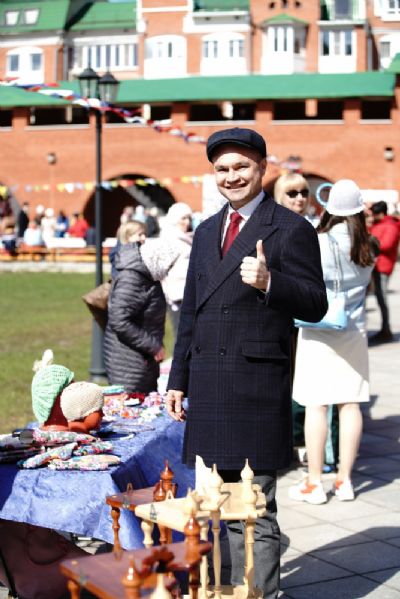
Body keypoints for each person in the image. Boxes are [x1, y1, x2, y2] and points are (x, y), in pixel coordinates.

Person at [166, 127, 328, 599]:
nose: (231, 176)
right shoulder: (205, 231)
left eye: (241, 166)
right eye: (222, 169)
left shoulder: (291, 228)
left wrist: (270, 281)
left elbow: (316, 303)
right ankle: (226, 588)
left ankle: (261, 593)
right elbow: (192, 311)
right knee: (216, 506)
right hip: (208, 383)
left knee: (255, 507)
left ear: (262, 167)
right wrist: (177, 379)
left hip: (255, 385)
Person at [289, 179, 375, 505]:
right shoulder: (368, 244)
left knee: (316, 404)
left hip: (318, 328)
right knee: (350, 404)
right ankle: (345, 480)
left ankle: (314, 482)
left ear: (329, 207)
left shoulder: (318, 241)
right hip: (354, 329)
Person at [274, 172, 338, 470]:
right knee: (285, 380)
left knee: (309, 384)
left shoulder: (318, 228)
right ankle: (287, 441)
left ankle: (306, 442)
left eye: (303, 192)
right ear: (280, 196)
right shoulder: (273, 228)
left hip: (315, 318)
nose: (299, 198)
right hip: (283, 317)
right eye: (292, 193)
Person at [103, 237, 180, 394]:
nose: (167, 271)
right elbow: (119, 320)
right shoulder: (132, 279)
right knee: (131, 403)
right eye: (168, 266)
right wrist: (153, 346)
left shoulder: (146, 276)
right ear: (157, 260)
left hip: (142, 357)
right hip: (127, 361)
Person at [369, 200, 400, 344]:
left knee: (382, 297)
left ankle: (386, 329)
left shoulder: (391, 226)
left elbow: (386, 244)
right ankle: (384, 328)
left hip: (383, 266)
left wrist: (369, 242)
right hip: (376, 265)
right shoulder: (378, 224)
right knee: (379, 297)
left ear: (380, 213)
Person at [160, 202, 193, 338]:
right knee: (181, 335)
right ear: (175, 219)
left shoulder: (185, 237)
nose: (187, 222)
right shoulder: (170, 239)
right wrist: (169, 293)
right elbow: (161, 269)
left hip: (189, 292)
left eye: (189, 218)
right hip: (177, 295)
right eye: (183, 218)